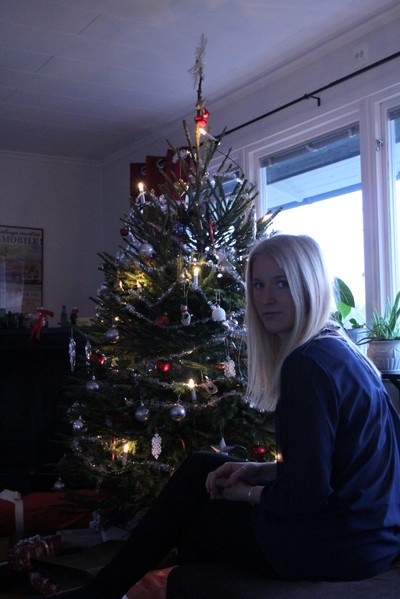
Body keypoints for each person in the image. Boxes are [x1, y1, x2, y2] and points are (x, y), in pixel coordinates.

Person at [50, 234, 400, 598]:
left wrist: (245, 493)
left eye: (282, 283)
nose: (267, 298)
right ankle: (105, 591)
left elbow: (305, 498)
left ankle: (101, 593)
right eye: (258, 285)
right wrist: (258, 470)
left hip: (337, 548)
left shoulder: (307, 365)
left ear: (309, 285)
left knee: (198, 513)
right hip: (373, 541)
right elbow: (335, 466)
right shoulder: (343, 351)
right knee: (202, 466)